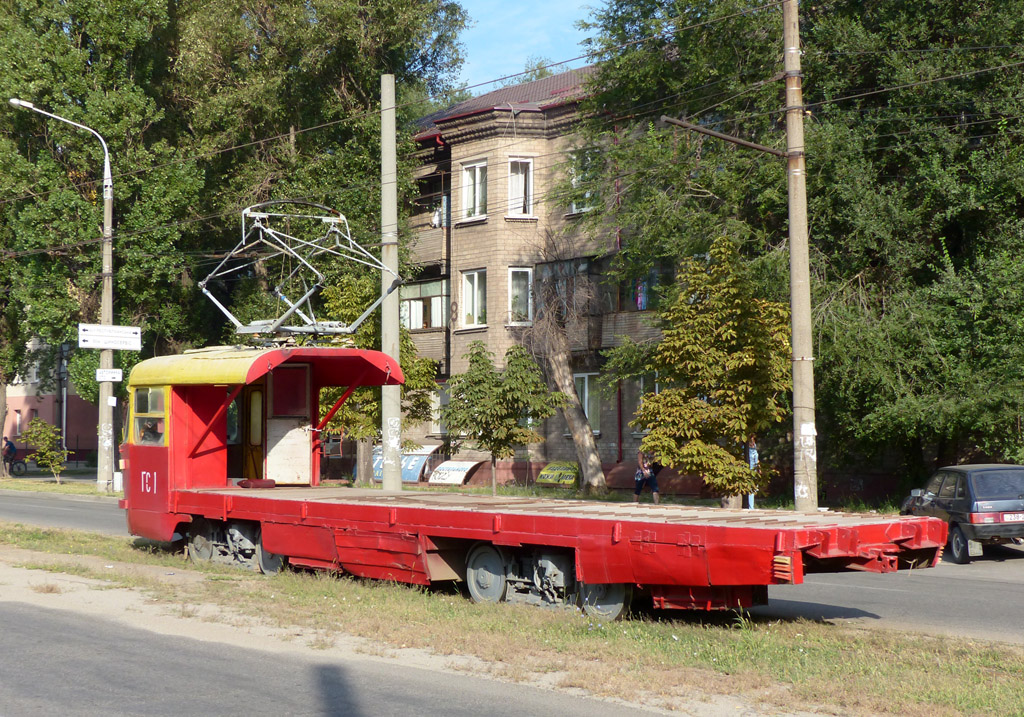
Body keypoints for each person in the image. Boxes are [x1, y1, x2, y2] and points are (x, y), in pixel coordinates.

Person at [746, 435, 759, 510]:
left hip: (754, 470)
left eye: (753, 440)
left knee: (753, 489)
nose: (753, 442)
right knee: (750, 488)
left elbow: (757, 460)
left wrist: (758, 469)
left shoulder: (754, 449)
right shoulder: (745, 449)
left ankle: (751, 506)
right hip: (748, 470)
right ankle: (750, 507)